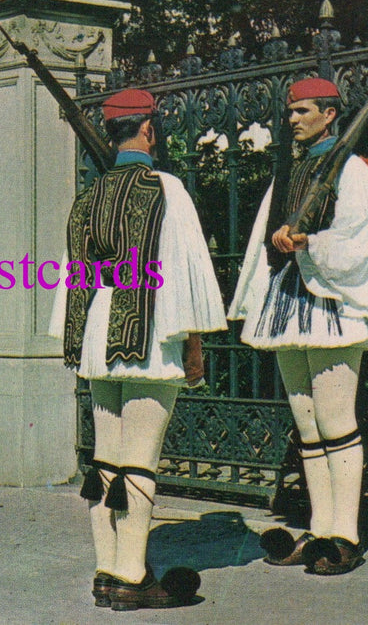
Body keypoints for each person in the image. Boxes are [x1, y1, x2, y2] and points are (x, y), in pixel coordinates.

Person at [49, 89, 226, 610]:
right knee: (140, 458)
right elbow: (187, 269)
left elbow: (74, 277)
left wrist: (77, 340)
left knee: (106, 457)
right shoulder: (165, 187)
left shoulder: (89, 196)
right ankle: (131, 575)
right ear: (148, 129)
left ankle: (106, 571)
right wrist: (193, 341)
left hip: (99, 331)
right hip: (149, 330)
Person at [228, 77, 368, 575]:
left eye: (303, 110)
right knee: (308, 426)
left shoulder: (354, 170)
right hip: (287, 301)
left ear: (329, 113)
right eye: (291, 111)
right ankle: (320, 527)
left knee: (337, 421)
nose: (293, 118)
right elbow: (264, 232)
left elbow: (361, 237)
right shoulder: (293, 170)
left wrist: (309, 243)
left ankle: (345, 533)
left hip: (330, 305)